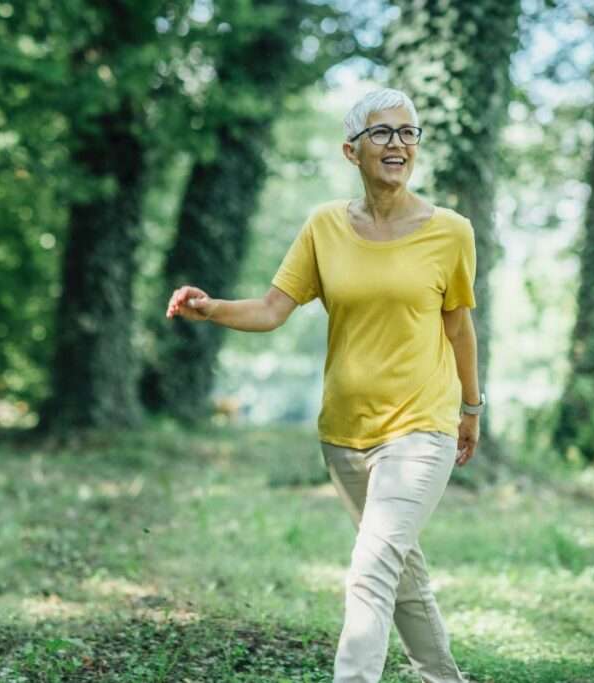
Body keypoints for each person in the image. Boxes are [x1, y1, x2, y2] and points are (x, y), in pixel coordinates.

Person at [165, 88, 482, 683]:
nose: (398, 144)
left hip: (421, 428)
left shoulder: (451, 233)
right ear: (351, 150)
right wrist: (210, 310)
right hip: (345, 435)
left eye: (408, 132)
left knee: (370, 568)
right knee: (398, 566)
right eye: (383, 133)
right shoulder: (324, 227)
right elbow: (269, 309)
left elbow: (459, 326)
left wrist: (471, 407)